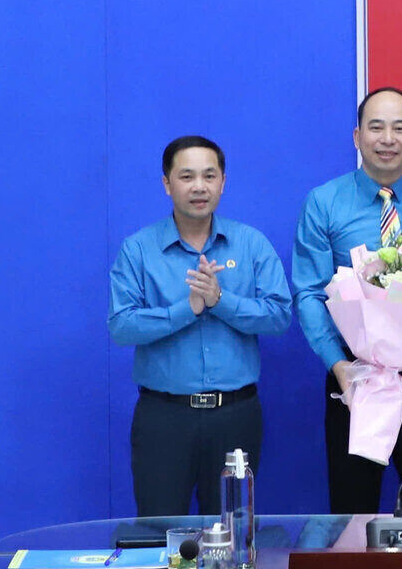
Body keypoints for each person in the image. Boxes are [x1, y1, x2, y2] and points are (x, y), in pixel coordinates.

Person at [293, 86, 402, 514]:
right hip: (355, 376)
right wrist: (340, 367)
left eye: (398, 128)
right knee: (353, 510)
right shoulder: (324, 202)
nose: (387, 138)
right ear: (357, 137)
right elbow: (309, 292)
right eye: (375, 127)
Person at [109, 135, 291, 516]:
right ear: (167, 184)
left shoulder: (251, 244)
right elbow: (122, 326)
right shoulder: (138, 249)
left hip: (235, 416)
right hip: (164, 417)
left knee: (233, 534)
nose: (199, 187)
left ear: (223, 182)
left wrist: (220, 302)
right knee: (159, 535)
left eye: (209, 176)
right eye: (187, 176)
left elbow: (279, 316)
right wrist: (186, 310)